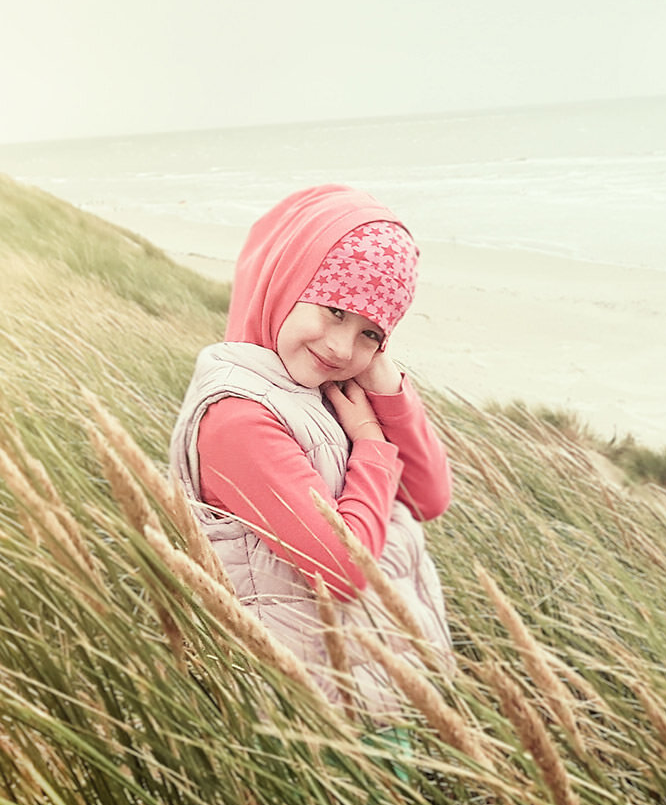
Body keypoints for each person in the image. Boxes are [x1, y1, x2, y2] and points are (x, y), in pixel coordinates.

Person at [168, 184, 453, 714]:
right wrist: (370, 443)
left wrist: (386, 388)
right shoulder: (239, 418)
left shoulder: (326, 390)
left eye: (372, 333)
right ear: (284, 282)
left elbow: (430, 496)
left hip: (377, 687)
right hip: (317, 714)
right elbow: (345, 571)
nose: (343, 347)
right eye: (334, 311)